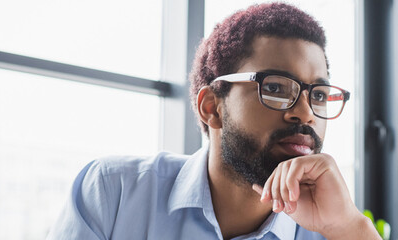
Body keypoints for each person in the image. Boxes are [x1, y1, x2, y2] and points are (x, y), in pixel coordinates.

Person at [48, 3, 379, 240]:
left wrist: (348, 228)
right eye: (276, 88)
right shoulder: (114, 194)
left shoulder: (331, 229)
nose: (306, 113)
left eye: (318, 95)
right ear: (212, 107)